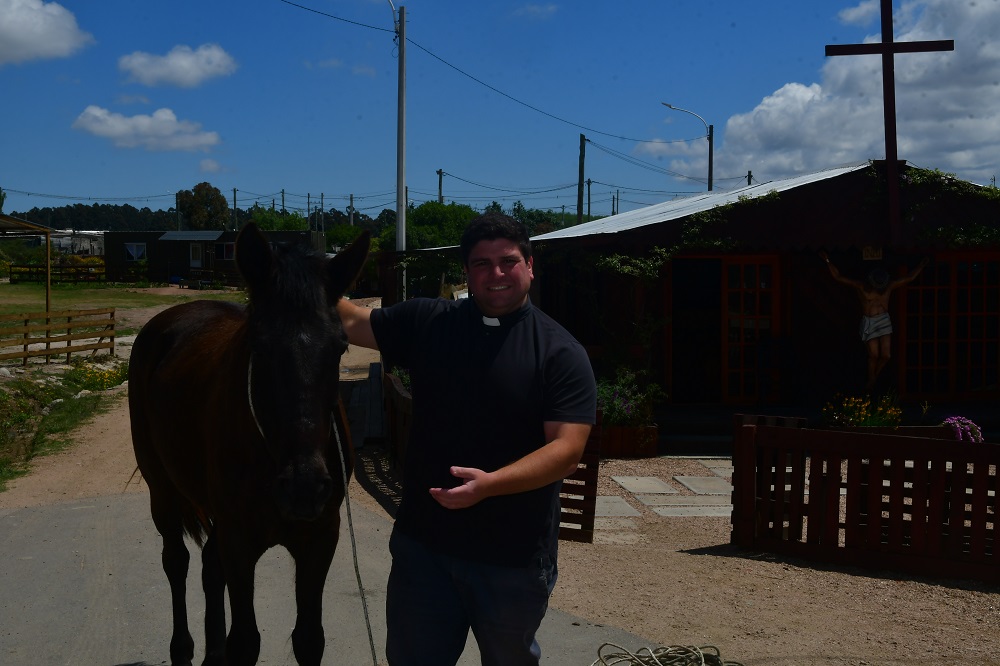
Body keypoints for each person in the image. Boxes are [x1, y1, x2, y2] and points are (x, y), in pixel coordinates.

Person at [336, 212, 597, 666]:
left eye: (508, 261)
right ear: (467, 273)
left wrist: (490, 485)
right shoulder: (427, 322)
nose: (496, 274)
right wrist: (299, 277)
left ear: (530, 266)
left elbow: (566, 451)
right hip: (424, 552)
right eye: (481, 264)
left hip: (511, 559)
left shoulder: (560, 353)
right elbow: (354, 323)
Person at [820, 251, 929, 391]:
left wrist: (921, 265)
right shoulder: (861, 287)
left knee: (886, 355)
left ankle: (873, 378)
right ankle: (871, 379)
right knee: (873, 355)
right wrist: (828, 260)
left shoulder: (889, 286)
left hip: (884, 320)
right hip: (869, 321)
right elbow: (838, 277)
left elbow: (909, 278)